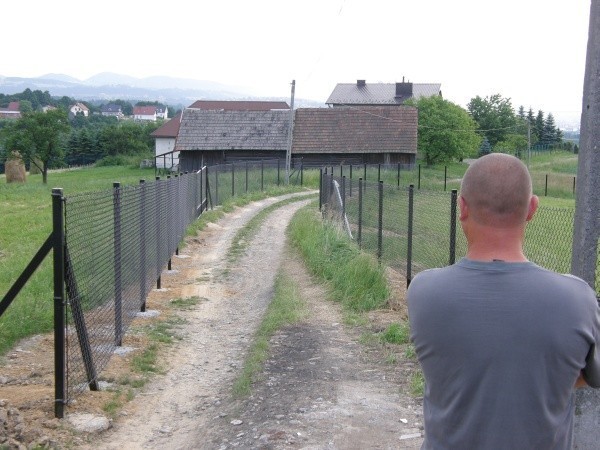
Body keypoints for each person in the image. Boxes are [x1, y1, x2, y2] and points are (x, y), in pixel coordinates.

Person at [407, 153, 600, 449]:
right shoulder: (578, 299)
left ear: (462, 207)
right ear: (532, 208)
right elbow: (590, 374)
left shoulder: (424, 291)